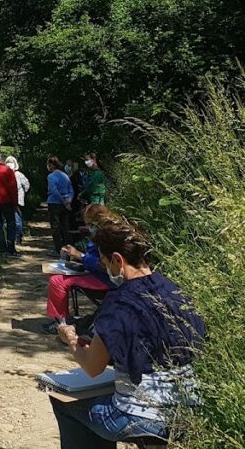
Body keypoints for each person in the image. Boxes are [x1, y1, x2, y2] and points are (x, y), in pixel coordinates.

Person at [50, 217, 206, 448]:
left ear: (117, 260)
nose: (105, 269)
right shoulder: (175, 290)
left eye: (104, 263)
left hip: (139, 416)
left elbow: (93, 368)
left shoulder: (118, 302)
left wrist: (71, 339)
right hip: (191, 407)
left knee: (67, 406)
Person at [40, 204, 118, 334]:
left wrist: (80, 256)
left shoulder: (107, 236)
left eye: (89, 224)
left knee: (57, 280)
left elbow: (103, 265)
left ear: (96, 221)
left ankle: (60, 323)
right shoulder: (105, 232)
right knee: (57, 277)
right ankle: (61, 319)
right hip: (99, 274)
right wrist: (74, 253)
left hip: (107, 279)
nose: (88, 227)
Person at [46, 156, 74, 256]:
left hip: (54, 203)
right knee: (66, 226)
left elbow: (54, 191)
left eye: (49, 164)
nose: (48, 167)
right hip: (66, 204)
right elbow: (71, 190)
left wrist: (63, 201)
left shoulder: (51, 176)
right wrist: (68, 201)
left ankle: (58, 249)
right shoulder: (65, 176)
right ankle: (70, 249)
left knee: (55, 227)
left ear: (52, 165)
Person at [5, 155, 30, 245]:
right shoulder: (5, 175)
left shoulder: (19, 175)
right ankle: (11, 239)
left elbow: (26, 185)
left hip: (18, 201)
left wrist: (22, 193)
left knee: (17, 220)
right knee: (8, 221)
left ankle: (18, 237)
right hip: (7, 201)